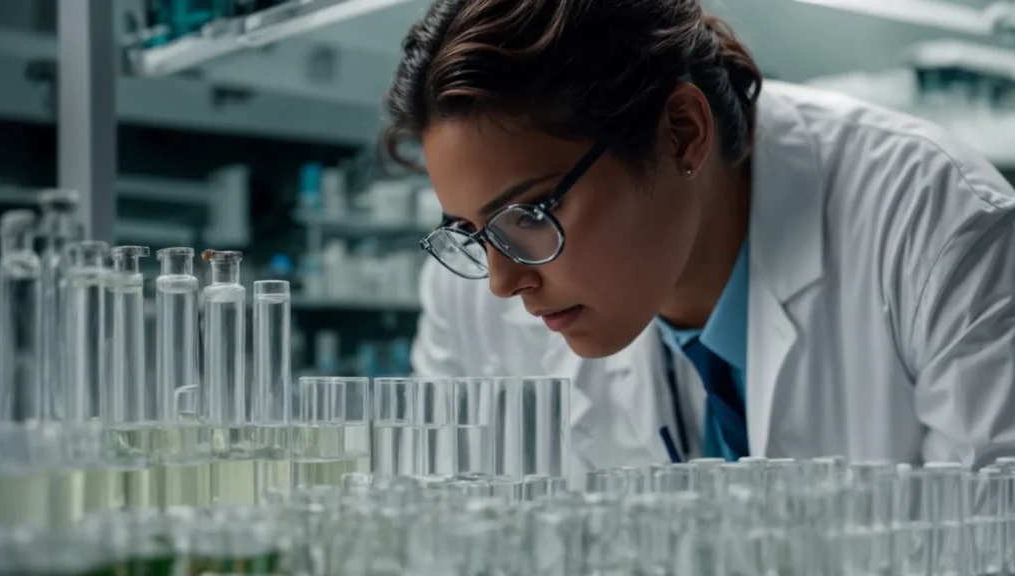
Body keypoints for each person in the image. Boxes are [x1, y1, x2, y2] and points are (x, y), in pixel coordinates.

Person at [393, 0, 1015, 472]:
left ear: (682, 132)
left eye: (529, 214)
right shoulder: (471, 289)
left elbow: (988, 538)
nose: (503, 283)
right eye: (472, 233)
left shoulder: (938, 226)